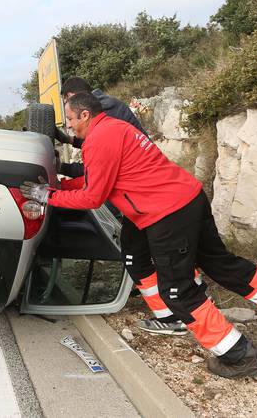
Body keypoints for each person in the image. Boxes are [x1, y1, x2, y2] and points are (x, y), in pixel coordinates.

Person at [21, 92, 257, 378]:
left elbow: (92, 198)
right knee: (220, 263)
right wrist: (60, 188)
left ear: (85, 115)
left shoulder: (100, 139)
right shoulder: (114, 128)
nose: (69, 126)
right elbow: (99, 179)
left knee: (178, 290)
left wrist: (46, 195)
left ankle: (239, 356)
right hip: (187, 197)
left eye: (71, 119)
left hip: (167, 214)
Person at [56, 77, 192, 336]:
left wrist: (52, 195)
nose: (71, 126)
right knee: (140, 252)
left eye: (71, 118)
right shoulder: (108, 112)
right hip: (147, 197)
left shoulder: (106, 119)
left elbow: (94, 186)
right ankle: (171, 308)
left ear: (76, 101)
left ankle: (182, 305)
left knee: (156, 253)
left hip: (147, 197)